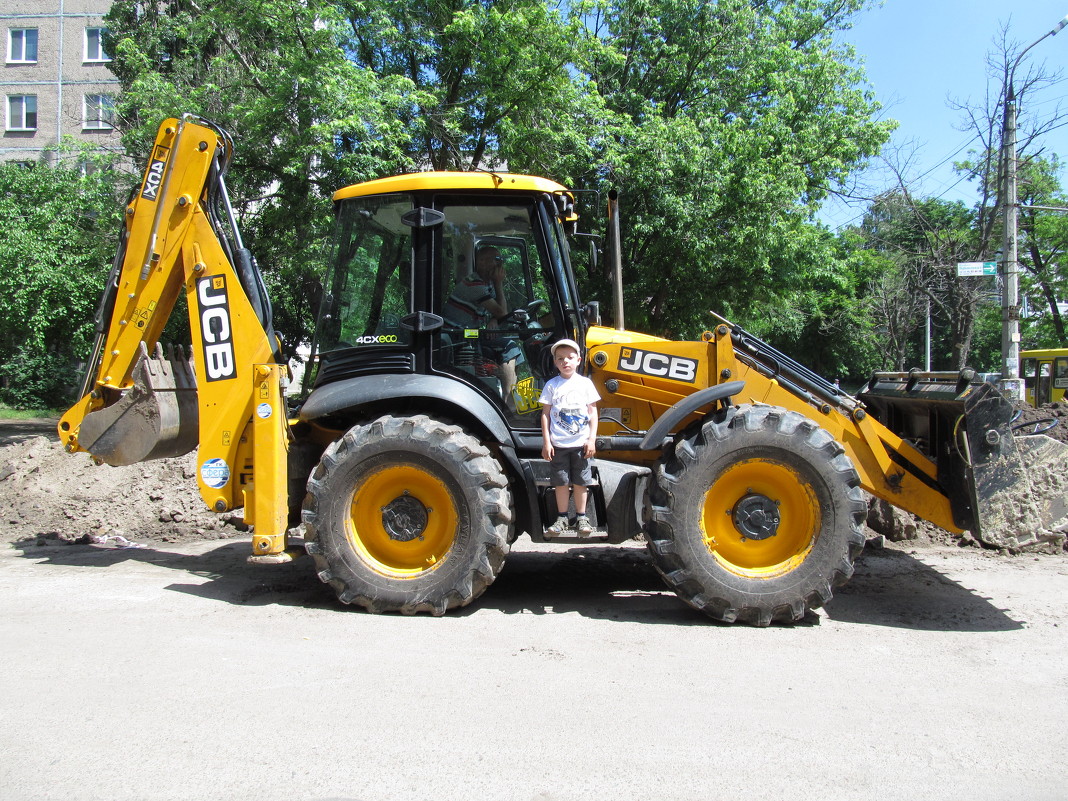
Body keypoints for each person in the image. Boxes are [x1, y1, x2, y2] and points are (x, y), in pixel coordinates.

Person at [539, 338, 600, 536]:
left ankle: (582, 518)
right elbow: (545, 414)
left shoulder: (585, 384)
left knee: (582, 482)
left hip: (581, 445)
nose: (565, 361)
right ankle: (562, 518)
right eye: (560, 359)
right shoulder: (551, 385)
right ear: (555, 362)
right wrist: (547, 442)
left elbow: (593, 413)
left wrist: (591, 439)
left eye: (570, 358)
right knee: (561, 482)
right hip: (559, 445)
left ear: (579, 360)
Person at [444, 246, 520, 395]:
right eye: (497, 259)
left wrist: (494, 319)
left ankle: (507, 397)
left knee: (510, 345)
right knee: (509, 347)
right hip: (459, 337)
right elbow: (502, 312)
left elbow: (498, 313)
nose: (500, 264)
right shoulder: (474, 284)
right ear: (482, 262)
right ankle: (508, 403)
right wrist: (499, 283)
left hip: (470, 334)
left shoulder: (486, 284)